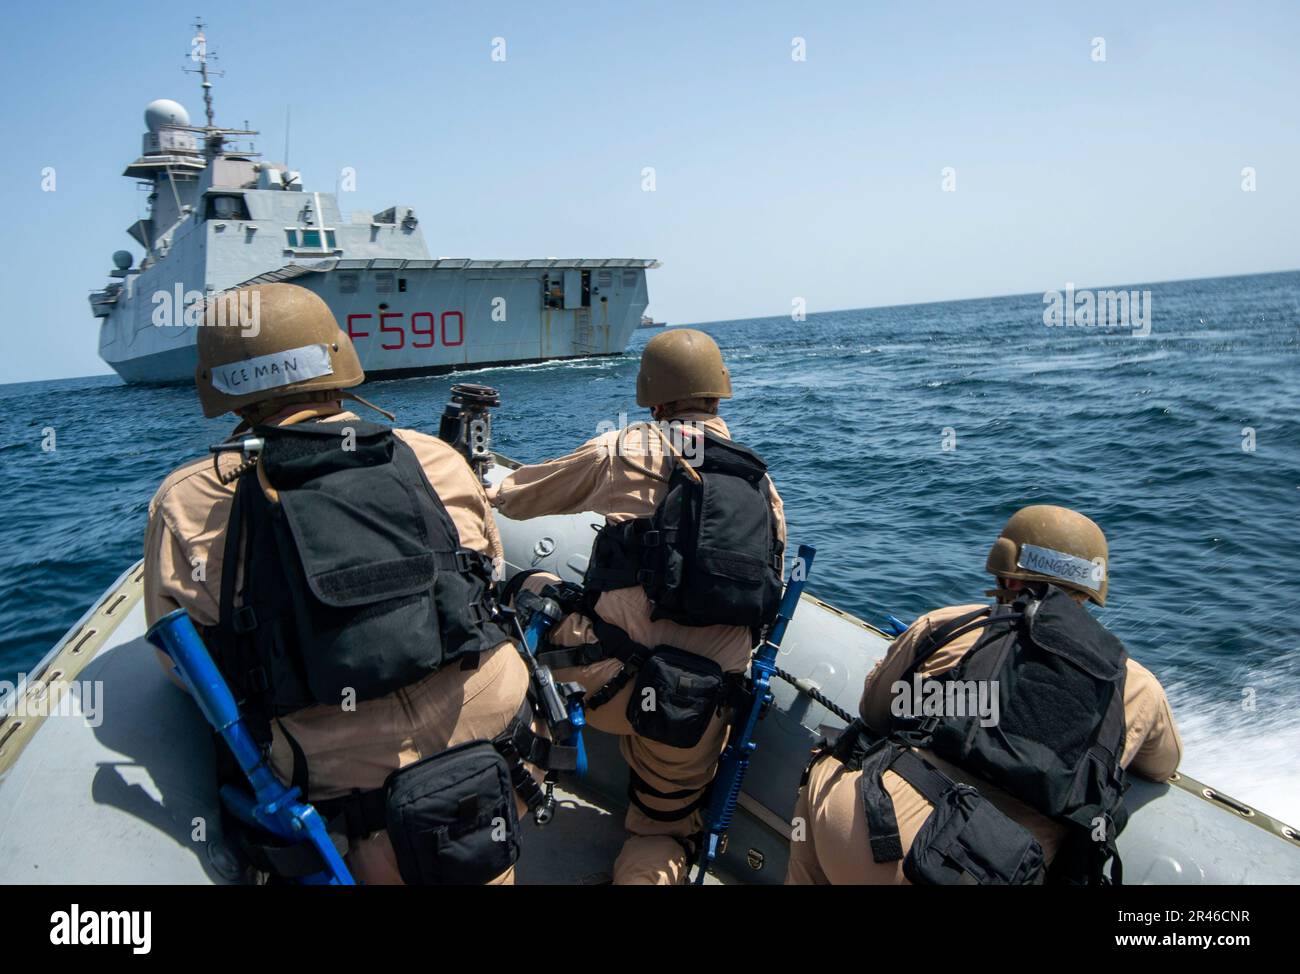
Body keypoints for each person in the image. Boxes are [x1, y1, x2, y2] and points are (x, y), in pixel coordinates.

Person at [144, 282, 558, 885]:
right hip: (506, 754)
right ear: (339, 359)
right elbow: (487, 574)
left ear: (224, 389)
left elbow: (184, 668)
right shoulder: (433, 457)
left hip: (360, 812)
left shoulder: (187, 499)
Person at [489, 328, 787, 884]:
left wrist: (485, 484)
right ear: (719, 395)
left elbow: (518, 497)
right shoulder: (762, 485)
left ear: (652, 396)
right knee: (660, 832)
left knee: (528, 592)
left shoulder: (627, 448)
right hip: (691, 709)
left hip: (603, 682)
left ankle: (510, 761)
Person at [786, 504, 1183, 885]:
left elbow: (874, 712)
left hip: (867, 838)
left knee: (827, 761)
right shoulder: (1138, 685)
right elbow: (1163, 765)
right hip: (996, 869)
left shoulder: (951, 625)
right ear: (1089, 591)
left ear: (1009, 579)